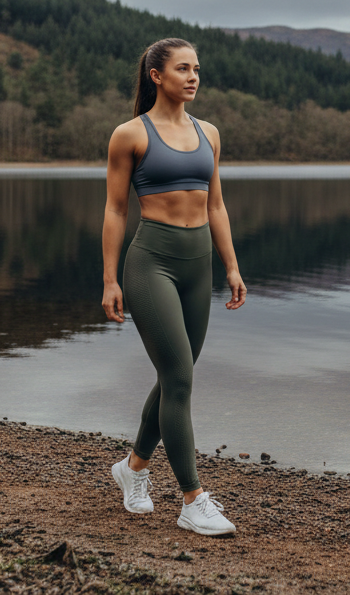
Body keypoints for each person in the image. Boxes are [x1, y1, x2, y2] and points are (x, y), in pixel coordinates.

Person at [101, 37, 247, 536]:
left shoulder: (210, 133)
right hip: (152, 264)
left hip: (198, 264)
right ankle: (193, 500)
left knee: (173, 378)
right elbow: (116, 210)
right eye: (183, 68)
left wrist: (231, 266)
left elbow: (216, 206)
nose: (193, 77)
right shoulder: (130, 135)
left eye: (197, 69)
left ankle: (133, 469)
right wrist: (109, 279)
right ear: (156, 75)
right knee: (180, 378)